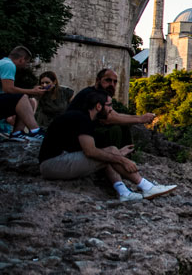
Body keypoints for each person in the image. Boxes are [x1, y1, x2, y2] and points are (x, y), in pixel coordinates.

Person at [39, 89, 176, 202]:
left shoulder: (83, 118)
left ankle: (124, 192)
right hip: (53, 164)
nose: (111, 110)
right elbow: (90, 152)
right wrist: (121, 159)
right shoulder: (82, 119)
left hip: (60, 160)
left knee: (111, 151)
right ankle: (145, 186)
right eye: (109, 106)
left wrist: (117, 154)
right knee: (110, 154)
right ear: (99, 106)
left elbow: (85, 149)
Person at [1, 46, 46, 140]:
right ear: (22, 59)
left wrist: (31, 92)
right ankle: (35, 131)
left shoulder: (4, 63)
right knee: (22, 97)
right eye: (27, 62)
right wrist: (32, 91)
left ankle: (17, 132)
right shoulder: (8, 64)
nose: (26, 65)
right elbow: (8, 89)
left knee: (28, 102)